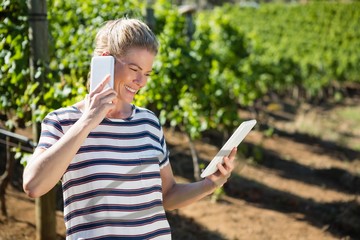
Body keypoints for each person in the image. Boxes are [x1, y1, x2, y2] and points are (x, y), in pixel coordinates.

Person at [23, 18, 236, 240]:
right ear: (104, 61)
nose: (140, 81)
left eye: (147, 73)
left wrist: (209, 184)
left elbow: (168, 194)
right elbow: (34, 186)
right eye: (134, 69)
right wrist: (87, 122)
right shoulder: (63, 121)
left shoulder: (148, 122)